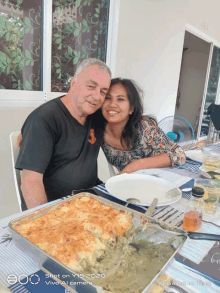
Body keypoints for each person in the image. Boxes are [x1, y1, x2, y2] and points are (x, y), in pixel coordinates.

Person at [15, 58, 111, 210]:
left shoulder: (97, 115)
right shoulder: (44, 119)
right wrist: (47, 223)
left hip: (89, 199)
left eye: (103, 91)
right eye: (91, 86)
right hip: (56, 207)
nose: (97, 96)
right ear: (73, 84)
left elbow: (124, 117)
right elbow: (30, 183)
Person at [100, 78, 186, 174]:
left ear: (131, 109)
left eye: (120, 99)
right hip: (127, 184)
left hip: (158, 179)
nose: (112, 104)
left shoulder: (145, 127)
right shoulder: (97, 132)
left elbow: (179, 155)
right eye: (108, 98)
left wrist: (135, 166)